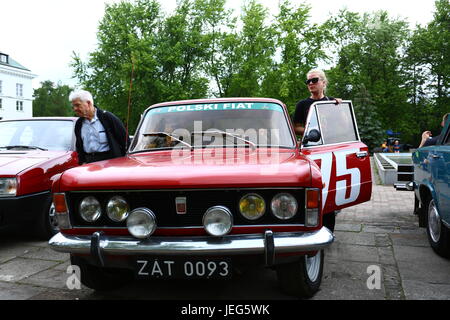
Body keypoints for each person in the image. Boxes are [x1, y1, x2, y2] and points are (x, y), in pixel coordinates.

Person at [69, 90, 130, 164]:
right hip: (89, 164)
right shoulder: (79, 124)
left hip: (109, 163)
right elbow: (79, 147)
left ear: (88, 103)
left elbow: (125, 141)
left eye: (78, 105)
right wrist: (82, 162)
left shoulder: (107, 118)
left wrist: (123, 163)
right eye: (73, 106)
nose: (75, 109)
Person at [293, 69, 342, 136]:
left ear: (324, 82)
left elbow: (345, 124)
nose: (310, 83)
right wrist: (312, 132)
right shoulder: (302, 104)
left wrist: (341, 107)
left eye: (314, 80)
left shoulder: (332, 102)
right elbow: (295, 128)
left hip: (332, 141)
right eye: (308, 81)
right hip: (312, 143)